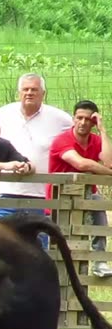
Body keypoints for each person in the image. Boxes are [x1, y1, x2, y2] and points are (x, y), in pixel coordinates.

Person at [0, 73, 73, 217]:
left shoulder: (61, 119)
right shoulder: (3, 115)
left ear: (43, 93)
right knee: (4, 238)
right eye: (25, 89)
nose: (29, 93)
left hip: (41, 194)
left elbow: (77, 140)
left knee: (38, 238)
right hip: (9, 192)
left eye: (34, 89)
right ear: (19, 93)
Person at [49, 100, 112, 276]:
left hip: (87, 195)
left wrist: (103, 130)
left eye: (87, 119)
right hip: (59, 198)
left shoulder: (96, 140)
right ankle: (55, 274)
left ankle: (99, 262)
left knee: (99, 209)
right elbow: (81, 164)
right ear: (73, 118)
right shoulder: (62, 140)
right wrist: (109, 173)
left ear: (93, 122)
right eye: (79, 118)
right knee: (60, 242)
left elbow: (109, 161)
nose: (83, 123)